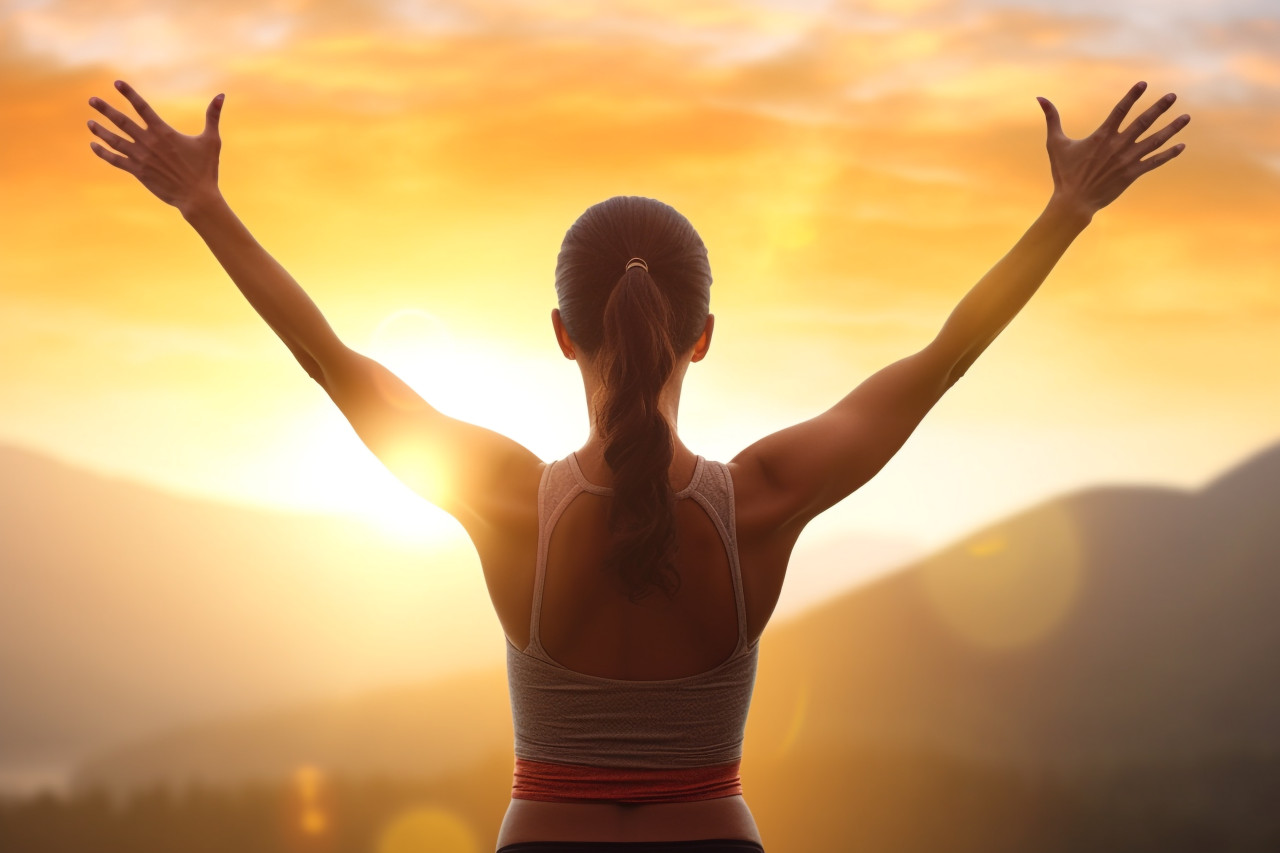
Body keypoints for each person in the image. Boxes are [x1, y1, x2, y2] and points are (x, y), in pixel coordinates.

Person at [86, 79, 1188, 852]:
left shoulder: (511, 500)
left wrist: (204, 206)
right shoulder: (761, 498)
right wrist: (1064, 211)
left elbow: (330, 361)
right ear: (701, 335)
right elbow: (942, 360)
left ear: (561, 334)